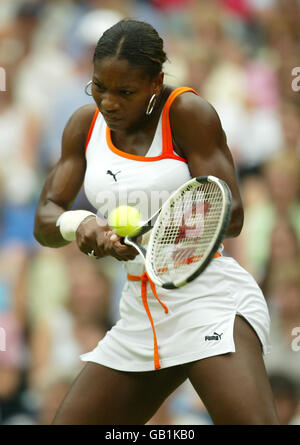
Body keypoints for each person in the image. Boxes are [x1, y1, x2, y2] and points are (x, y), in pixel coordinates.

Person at [34, 19, 279, 425]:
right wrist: (80, 225)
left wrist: (163, 226)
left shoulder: (187, 112)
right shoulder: (84, 124)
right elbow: (46, 217)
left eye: (125, 92)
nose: (108, 102)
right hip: (138, 312)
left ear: (155, 82)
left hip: (208, 301)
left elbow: (232, 213)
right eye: (99, 87)